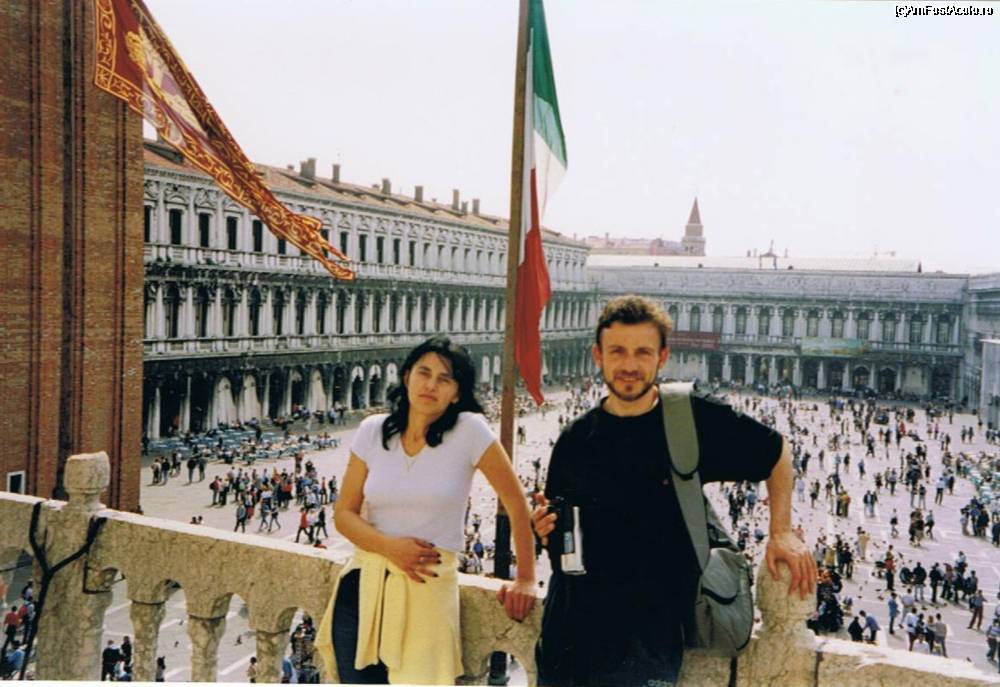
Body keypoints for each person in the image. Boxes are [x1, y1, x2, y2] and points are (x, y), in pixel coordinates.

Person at [531, 296, 815, 687]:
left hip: (646, 645)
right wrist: (543, 529)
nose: (629, 365)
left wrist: (781, 530)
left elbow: (777, 452)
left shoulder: (688, 418)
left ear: (662, 357)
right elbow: (560, 542)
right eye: (617, 351)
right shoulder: (575, 438)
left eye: (642, 352)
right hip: (566, 638)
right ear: (598, 355)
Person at [316, 337, 536, 685]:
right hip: (361, 591)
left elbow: (516, 503)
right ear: (407, 377)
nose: (431, 384)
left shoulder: (469, 430)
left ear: (457, 393)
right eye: (424, 372)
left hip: (427, 594)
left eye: (444, 378)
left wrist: (525, 577)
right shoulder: (372, 430)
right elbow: (344, 514)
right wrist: (391, 548)